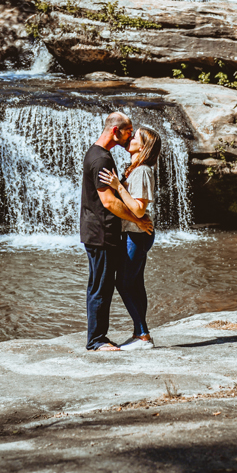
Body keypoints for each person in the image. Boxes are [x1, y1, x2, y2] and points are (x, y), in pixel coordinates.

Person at [80, 111, 152, 352]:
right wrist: (138, 221)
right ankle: (97, 340)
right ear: (115, 131)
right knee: (101, 285)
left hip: (102, 232)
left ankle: (106, 336)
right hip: (101, 233)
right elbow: (109, 202)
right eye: (128, 133)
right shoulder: (101, 159)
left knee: (107, 284)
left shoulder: (98, 154)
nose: (129, 137)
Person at [99, 125, 161, 350]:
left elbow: (139, 210)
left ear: (143, 146)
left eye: (135, 136)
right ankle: (140, 333)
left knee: (123, 283)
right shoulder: (135, 169)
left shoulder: (143, 170)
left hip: (138, 234)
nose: (130, 137)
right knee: (135, 284)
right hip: (135, 233)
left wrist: (117, 186)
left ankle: (143, 335)